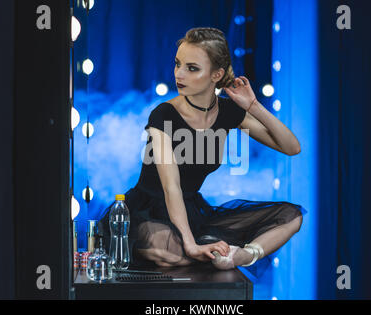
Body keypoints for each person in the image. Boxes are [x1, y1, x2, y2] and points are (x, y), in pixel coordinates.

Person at [98, 27, 307, 270]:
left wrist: (253, 105)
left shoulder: (229, 112)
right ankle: (184, 249)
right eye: (178, 64)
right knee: (172, 251)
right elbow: (171, 186)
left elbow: (291, 147)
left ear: (216, 74)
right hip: (149, 210)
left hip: (193, 210)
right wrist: (190, 244)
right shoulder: (163, 114)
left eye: (192, 68)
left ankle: (242, 256)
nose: (179, 74)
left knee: (292, 216)